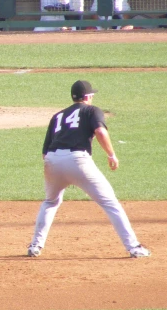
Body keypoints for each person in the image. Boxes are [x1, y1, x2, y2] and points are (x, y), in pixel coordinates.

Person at [27, 80, 151, 259]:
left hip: (52, 161)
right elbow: (100, 132)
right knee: (110, 203)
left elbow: (45, 153)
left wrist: (62, 172)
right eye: (91, 95)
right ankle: (134, 247)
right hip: (78, 160)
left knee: (50, 202)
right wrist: (111, 155)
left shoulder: (57, 116)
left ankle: (35, 246)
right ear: (87, 97)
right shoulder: (92, 110)